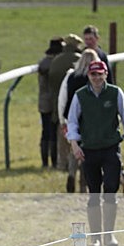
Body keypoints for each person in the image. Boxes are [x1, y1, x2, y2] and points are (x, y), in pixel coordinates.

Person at [66, 60, 124, 246]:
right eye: (93, 75)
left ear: (105, 74)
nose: (97, 78)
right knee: (94, 193)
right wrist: (74, 144)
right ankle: (95, 237)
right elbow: (72, 121)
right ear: (88, 76)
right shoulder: (80, 96)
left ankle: (109, 235)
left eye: (100, 74)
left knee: (111, 190)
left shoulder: (115, 93)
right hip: (89, 149)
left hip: (111, 147)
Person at [57, 48, 99, 193]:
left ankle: (71, 173)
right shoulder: (96, 78)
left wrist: (62, 120)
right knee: (88, 152)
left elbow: (62, 98)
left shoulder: (70, 76)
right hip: (91, 120)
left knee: (74, 148)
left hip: (71, 117)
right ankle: (83, 184)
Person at [48, 33, 84, 172]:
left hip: (57, 101)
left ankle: (61, 164)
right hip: (75, 103)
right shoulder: (79, 60)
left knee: (61, 134)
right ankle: (77, 164)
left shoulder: (56, 60)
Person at [37, 37, 63, 168]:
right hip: (53, 102)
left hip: (43, 102)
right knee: (53, 132)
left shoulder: (43, 62)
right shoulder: (56, 63)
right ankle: (53, 161)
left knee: (45, 132)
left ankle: (44, 162)